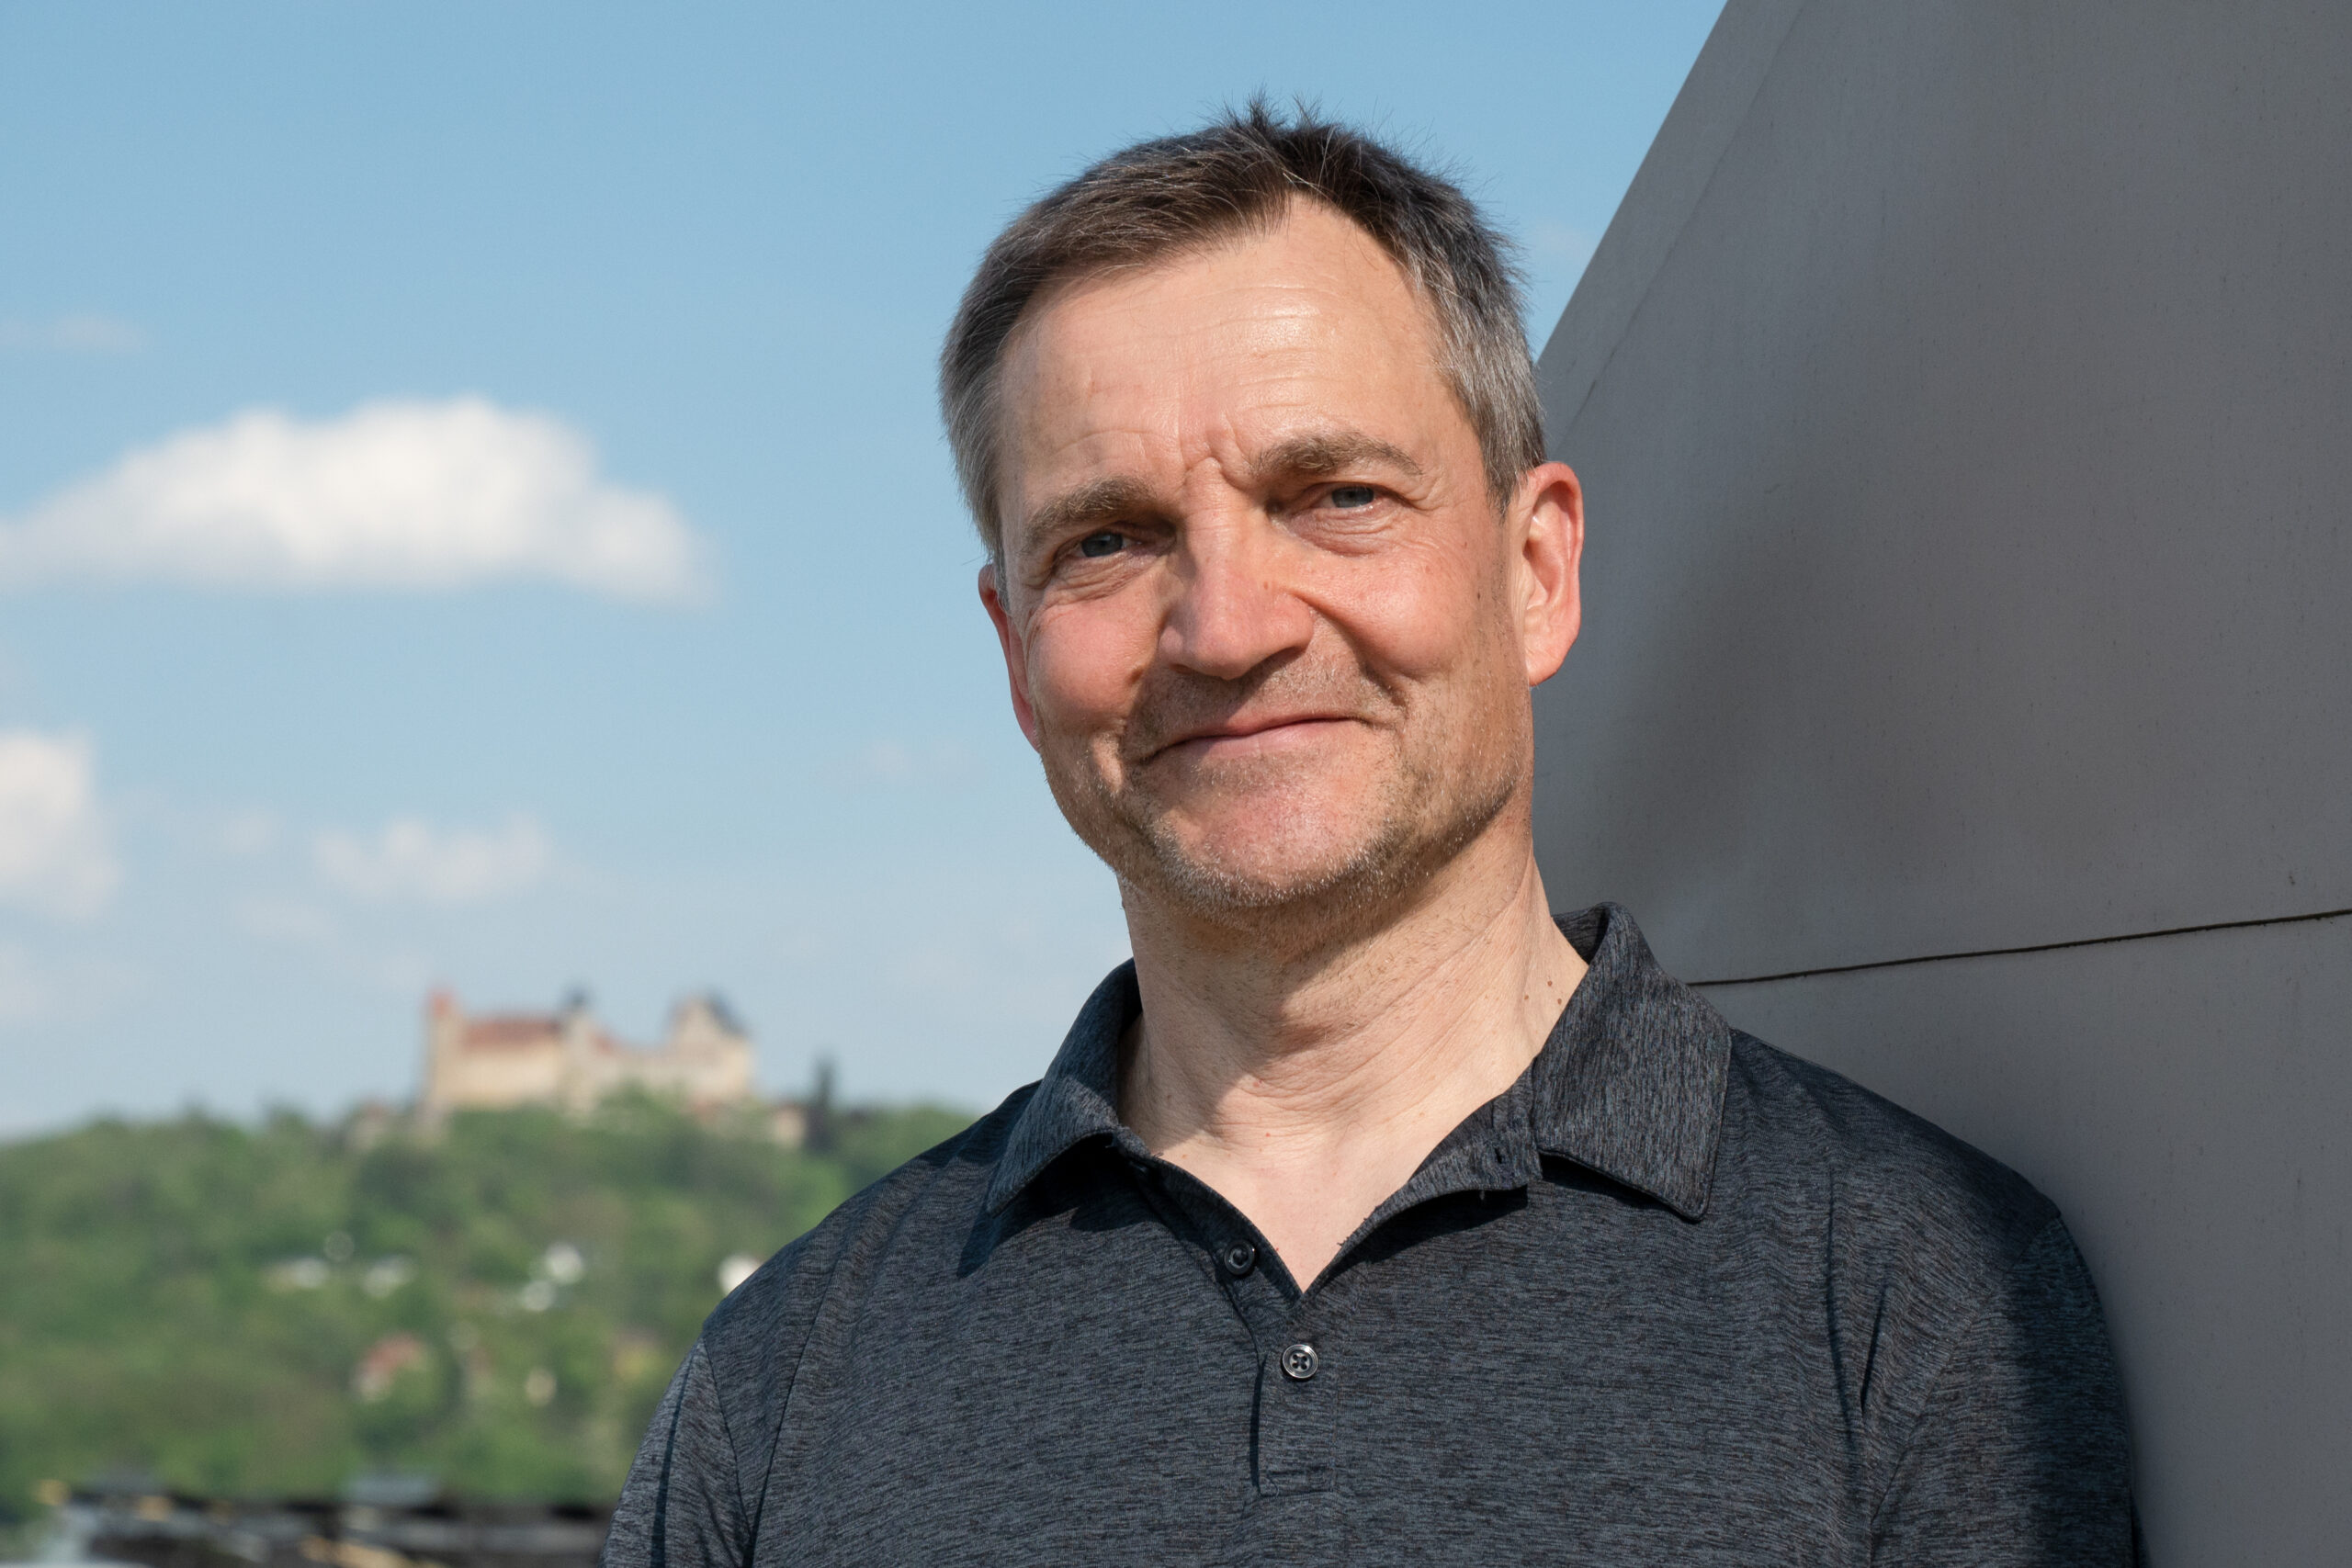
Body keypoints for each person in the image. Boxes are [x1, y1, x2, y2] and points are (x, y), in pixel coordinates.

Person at [601, 105, 2137, 1566]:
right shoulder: (784, 1383)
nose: (1225, 627)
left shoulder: (1914, 1299)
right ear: (1015, 652)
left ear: (1535, 570)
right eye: (1109, 540)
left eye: (1335, 494)